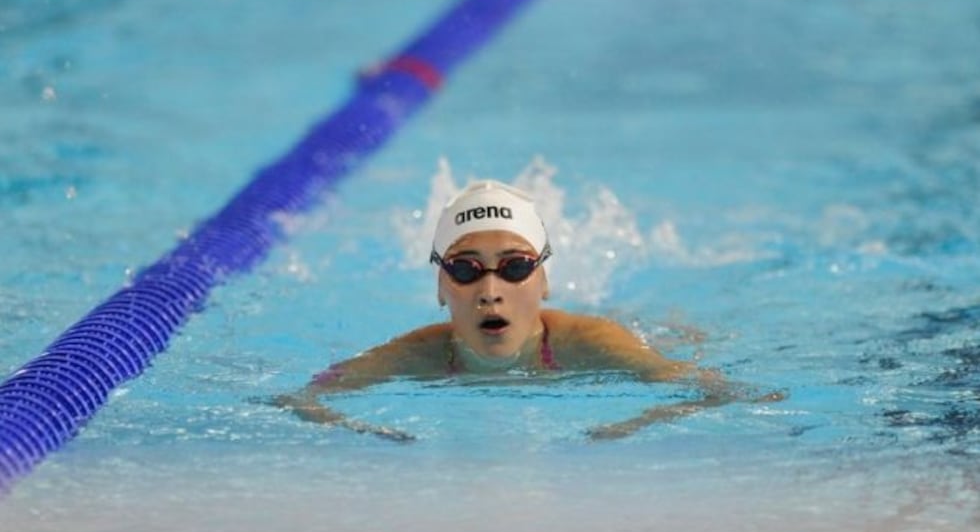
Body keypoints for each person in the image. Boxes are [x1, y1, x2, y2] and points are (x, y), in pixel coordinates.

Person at [273, 180, 779, 440]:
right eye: (466, 270)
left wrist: (635, 425)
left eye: (514, 268)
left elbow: (726, 390)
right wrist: (369, 433)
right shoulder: (417, 355)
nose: (490, 290)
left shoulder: (590, 343)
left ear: (544, 280)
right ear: (441, 287)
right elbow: (299, 400)